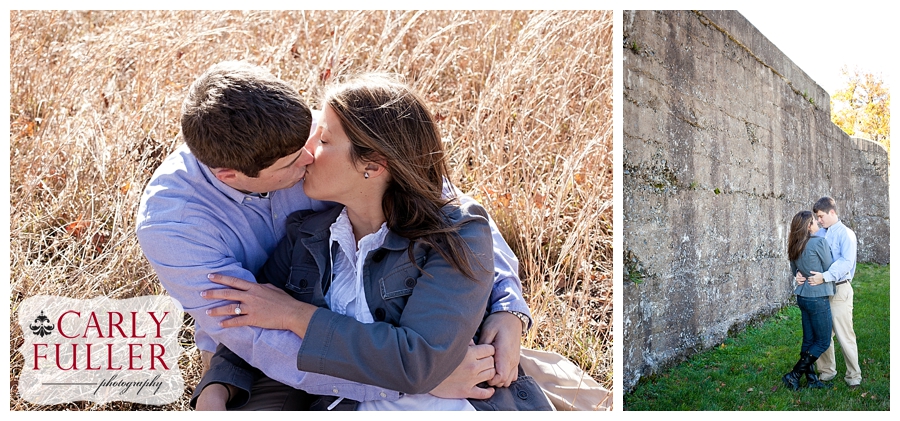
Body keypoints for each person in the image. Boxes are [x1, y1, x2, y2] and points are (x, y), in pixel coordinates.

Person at [135, 61, 533, 409]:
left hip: (345, 340)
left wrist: (507, 305)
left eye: (317, 138)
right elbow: (251, 326)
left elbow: (443, 205)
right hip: (265, 348)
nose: (308, 155)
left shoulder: (296, 135)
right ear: (230, 176)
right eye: (294, 161)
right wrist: (405, 381)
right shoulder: (174, 225)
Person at [797, 196, 860, 387]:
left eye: (821, 216)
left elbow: (846, 263)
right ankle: (826, 371)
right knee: (823, 334)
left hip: (839, 289)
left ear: (832, 212)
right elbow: (807, 256)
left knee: (844, 334)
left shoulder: (846, 234)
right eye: (817, 217)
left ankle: (853, 375)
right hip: (821, 292)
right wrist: (799, 273)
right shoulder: (819, 234)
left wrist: (824, 276)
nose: (819, 220)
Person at [781, 211, 834, 390]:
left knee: (809, 340)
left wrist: (799, 274)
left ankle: (811, 380)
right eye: (813, 220)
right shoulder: (819, 242)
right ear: (808, 226)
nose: (817, 222)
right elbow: (829, 267)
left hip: (803, 296)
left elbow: (795, 271)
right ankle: (794, 375)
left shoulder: (795, 245)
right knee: (823, 341)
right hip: (817, 297)